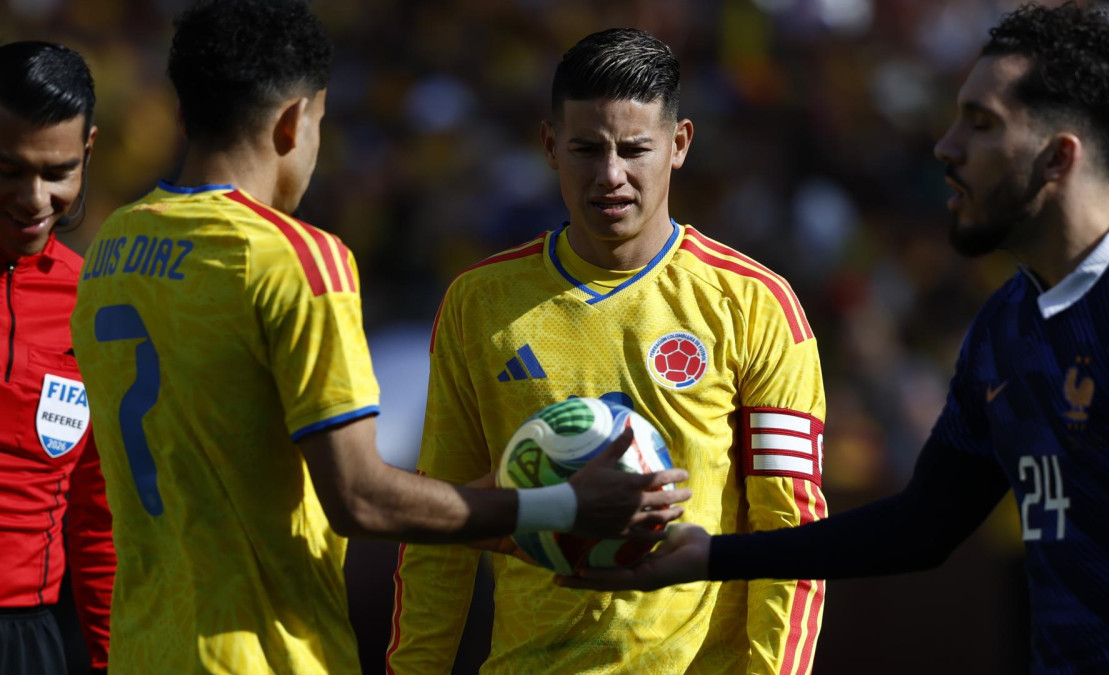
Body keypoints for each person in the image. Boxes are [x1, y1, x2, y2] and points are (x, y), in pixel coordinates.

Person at [563, 4, 1109, 673]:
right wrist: (714, 556)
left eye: (981, 124)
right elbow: (921, 526)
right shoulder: (1005, 326)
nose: (945, 145)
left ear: (1057, 157)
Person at [68, 2, 689, 672]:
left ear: (185, 111)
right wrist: (557, 504)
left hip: (142, 649)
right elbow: (359, 497)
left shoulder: (111, 248)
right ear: (294, 120)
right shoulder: (295, 258)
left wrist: (490, 505)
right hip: (261, 654)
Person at [388, 28, 827, 675]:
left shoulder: (756, 304)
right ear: (549, 147)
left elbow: (791, 532)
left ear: (678, 146)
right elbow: (439, 527)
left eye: (634, 149)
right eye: (587, 149)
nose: (610, 175)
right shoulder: (479, 303)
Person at [0, 41, 115, 675]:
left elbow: (98, 519)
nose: (34, 198)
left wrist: (110, 661)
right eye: (8, 170)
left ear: (88, 153)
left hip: (31, 644)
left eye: (56, 173)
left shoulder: (92, 305)